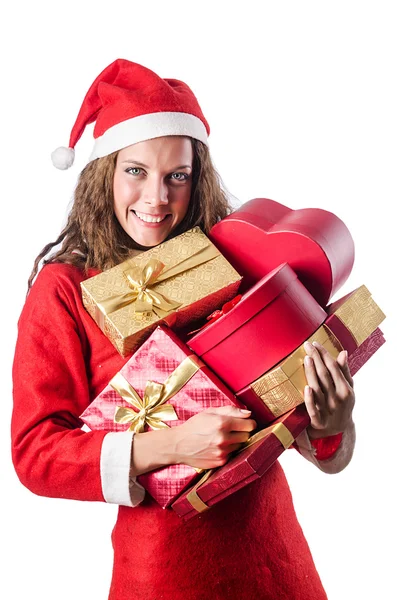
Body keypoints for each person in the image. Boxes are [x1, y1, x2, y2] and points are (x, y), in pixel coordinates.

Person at [11, 58, 356, 600]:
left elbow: (298, 428)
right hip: (163, 573)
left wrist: (332, 422)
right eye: (136, 171)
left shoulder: (228, 261)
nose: (156, 197)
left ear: (197, 179)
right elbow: (35, 452)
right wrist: (169, 445)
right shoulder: (65, 289)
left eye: (177, 175)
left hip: (275, 561)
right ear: (105, 172)